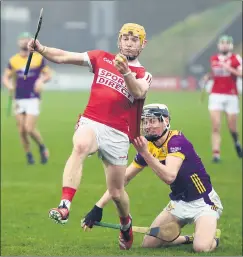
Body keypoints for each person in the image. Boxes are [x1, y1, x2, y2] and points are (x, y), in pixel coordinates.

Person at [27, 23, 152, 250]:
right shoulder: (101, 58)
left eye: (134, 40)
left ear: (143, 45)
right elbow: (64, 56)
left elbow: (139, 92)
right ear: (119, 41)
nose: (129, 42)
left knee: (116, 192)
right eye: (125, 38)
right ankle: (65, 205)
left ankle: (126, 223)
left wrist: (125, 71)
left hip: (118, 133)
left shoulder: (143, 74)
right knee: (81, 145)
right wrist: (42, 48)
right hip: (92, 120)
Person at [82, 103, 223, 252]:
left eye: (152, 121)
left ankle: (213, 238)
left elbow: (170, 177)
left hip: (204, 202)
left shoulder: (177, 142)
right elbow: (124, 179)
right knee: (148, 244)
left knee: (201, 248)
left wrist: (146, 154)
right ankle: (190, 237)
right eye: (145, 121)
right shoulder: (149, 146)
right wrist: (98, 207)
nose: (148, 126)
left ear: (166, 121)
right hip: (179, 202)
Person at [2, 32, 52, 164]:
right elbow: (5, 77)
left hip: (33, 97)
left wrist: (41, 81)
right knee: (22, 130)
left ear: (30, 42)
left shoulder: (38, 58)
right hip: (18, 98)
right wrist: (9, 85)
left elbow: (48, 74)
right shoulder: (14, 60)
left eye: (26, 39)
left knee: (29, 128)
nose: (24, 42)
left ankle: (42, 147)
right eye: (21, 39)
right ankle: (29, 155)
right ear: (18, 42)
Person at [201, 35, 242, 163]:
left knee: (232, 127)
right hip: (216, 95)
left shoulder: (236, 59)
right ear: (219, 45)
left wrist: (229, 68)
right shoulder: (214, 59)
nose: (224, 45)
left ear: (231, 45)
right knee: (216, 126)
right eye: (222, 43)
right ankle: (216, 154)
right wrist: (208, 77)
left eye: (227, 43)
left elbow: (241, 73)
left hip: (231, 96)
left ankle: (236, 141)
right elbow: (214, 74)